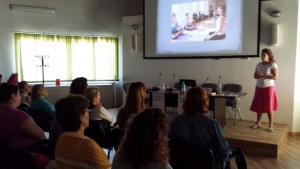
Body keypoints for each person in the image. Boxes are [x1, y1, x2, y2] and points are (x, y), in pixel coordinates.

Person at [169, 87, 231, 169]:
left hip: (182, 165)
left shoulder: (177, 121)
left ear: (185, 102)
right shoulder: (213, 124)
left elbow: (170, 145)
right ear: (204, 102)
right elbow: (224, 150)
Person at [55, 95, 111, 169]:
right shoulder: (90, 147)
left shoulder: (61, 140)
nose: (88, 114)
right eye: (87, 111)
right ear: (81, 117)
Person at [250, 48, 278, 132]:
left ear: (269, 55)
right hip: (259, 87)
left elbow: (275, 77)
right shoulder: (258, 64)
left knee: (269, 106)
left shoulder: (273, 65)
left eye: (264, 55)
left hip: (269, 88)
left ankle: (271, 125)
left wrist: (262, 76)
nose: (262, 56)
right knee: (259, 105)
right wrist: (258, 75)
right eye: (261, 55)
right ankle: (258, 123)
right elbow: (255, 76)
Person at [113, 82, 147, 149]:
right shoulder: (145, 115)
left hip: (122, 149)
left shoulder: (121, 112)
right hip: (138, 151)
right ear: (142, 94)